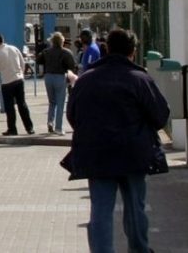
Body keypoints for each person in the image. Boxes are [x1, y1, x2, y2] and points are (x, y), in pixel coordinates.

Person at [66, 28, 170, 253]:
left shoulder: (86, 80)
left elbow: (72, 115)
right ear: (133, 52)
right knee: (135, 209)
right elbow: (161, 116)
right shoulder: (140, 79)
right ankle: (139, 249)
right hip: (133, 153)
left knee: (101, 210)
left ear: (107, 49)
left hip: (96, 154)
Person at [38, 32, 77, 134]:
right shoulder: (66, 52)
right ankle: (58, 128)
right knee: (60, 103)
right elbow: (72, 66)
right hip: (60, 77)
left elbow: (39, 60)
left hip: (48, 77)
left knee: (52, 102)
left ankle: (50, 122)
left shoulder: (46, 51)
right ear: (62, 41)